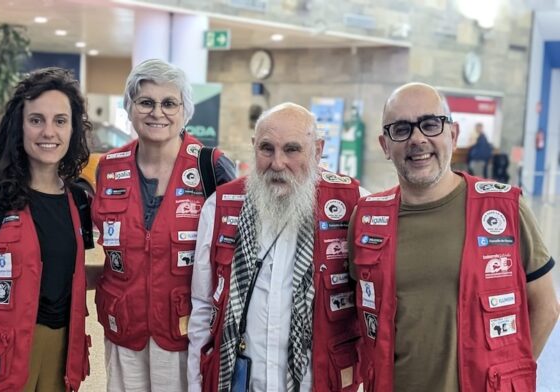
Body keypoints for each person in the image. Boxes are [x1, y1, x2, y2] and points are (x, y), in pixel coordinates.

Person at [349, 82, 559, 391]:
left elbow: (545, 306)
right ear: (384, 145)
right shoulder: (366, 217)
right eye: (401, 129)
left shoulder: (504, 209)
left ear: (453, 134)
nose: (418, 139)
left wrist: (509, 374)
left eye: (430, 124)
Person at [188, 103, 366, 392]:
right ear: (253, 146)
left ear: (317, 151)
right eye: (267, 149)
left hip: (318, 382)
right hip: (238, 381)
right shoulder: (220, 206)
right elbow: (202, 306)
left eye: (292, 150)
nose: (277, 163)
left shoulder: (353, 204)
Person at [0, 67, 93, 392]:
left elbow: (69, 271)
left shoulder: (77, 199)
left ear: (73, 128)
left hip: (60, 351)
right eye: (36, 120)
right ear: (18, 127)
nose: (48, 131)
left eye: (60, 121)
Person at [90, 59, 236, 391]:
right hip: (124, 327)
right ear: (129, 109)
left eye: (169, 103)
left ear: (185, 111)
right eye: (146, 102)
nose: (157, 112)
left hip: (187, 332)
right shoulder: (108, 168)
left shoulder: (210, 167)